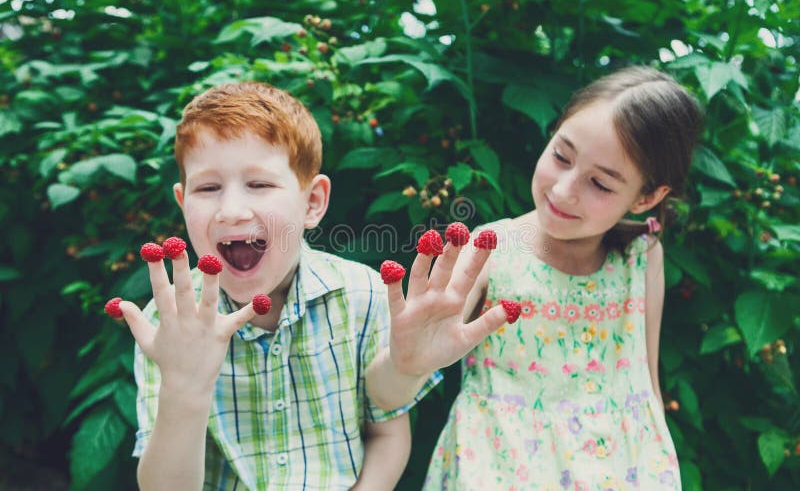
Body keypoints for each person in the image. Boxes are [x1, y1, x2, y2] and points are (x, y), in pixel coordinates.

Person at [366, 66, 703, 489]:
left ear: (647, 198)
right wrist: (406, 363)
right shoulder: (488, 251)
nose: (563, 190)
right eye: (561, 155)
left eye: (600, 183)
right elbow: (384, 396)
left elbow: (644, 383)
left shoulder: (643, 255)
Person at [114, 82, 441, 490]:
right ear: (183, 203)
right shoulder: (168, 326)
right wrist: (184, 387)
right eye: (208, 188)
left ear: (312, 203)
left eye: (260, 184)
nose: (231, 211)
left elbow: (388, 434)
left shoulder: (364, 295)